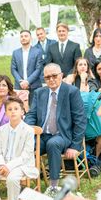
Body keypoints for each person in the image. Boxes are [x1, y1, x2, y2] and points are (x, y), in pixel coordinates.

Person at [25, 63, 86, 192]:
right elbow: (31, 114)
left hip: (62, 135)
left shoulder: (71, 91)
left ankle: (53, 186)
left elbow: (80, 120)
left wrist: (75, 146)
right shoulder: (39, 92)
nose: (51, 79)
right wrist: (28, 129)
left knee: (53, 144)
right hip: (42, 135)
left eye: (54, 76)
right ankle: (26, 182)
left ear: (61, 75)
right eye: (47, 77)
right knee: (28, 145)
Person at [11, 29, 44, 95]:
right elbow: (13, 69)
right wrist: (20, 81)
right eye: (21, 36)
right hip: (19, 86)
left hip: (34, 86)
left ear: (30, 38)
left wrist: (27, 81)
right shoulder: (15, 53)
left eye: (26, 36)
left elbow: (38, 69)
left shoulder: (38, 52)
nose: (23, 38)